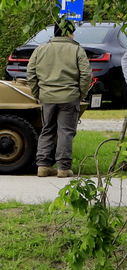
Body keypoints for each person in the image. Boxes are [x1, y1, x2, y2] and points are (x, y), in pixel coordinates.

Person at [26, 17, 92, 178]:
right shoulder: (77, 50)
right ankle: (63, 167)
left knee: (47, 130)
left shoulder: (41, 49)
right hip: (69, 97)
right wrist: (81, 93)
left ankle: (43, 165)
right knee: (65, 132)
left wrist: (37, 93)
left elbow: (31, 73)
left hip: (47, 97)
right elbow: (86, 74)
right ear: (70, 33)